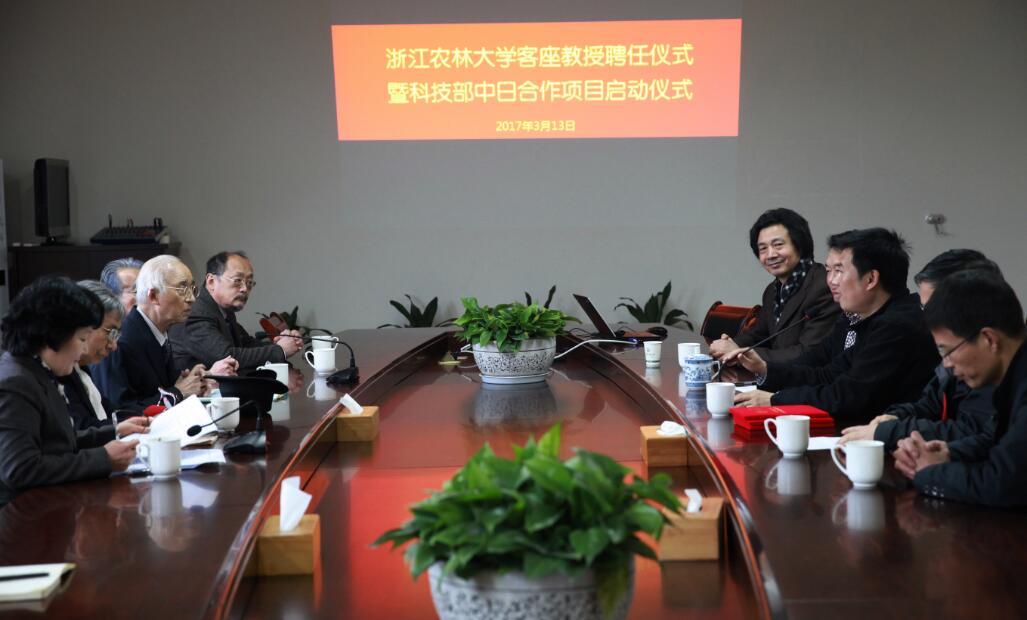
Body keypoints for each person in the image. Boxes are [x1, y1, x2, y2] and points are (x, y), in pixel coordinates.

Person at [731, 228, 939, 425]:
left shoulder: (897, 325)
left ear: (871, 279)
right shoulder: (858, 317)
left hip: (893, 438)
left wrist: (775, 400)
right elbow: (826, 373)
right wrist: (765, 370)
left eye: (838, 271)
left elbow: (847, 396)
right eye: (828, 270)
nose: (830, 281)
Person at [839, 250, 1001, 457]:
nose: (927, 319)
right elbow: (929, 405)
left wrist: (889, 432)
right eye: (924, 309)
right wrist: (895, 418)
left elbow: (972, 431)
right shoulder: (953, 351)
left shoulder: (992, 361)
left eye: (933, 309)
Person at [0, 276, 141, 506]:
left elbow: (58, 440)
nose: (84, 349)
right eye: (82, 338)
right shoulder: (15, 382)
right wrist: (103, 458)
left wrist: (113, 432)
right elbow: (20, 468)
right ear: (55, 334)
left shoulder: (38, 371)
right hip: (25, 515)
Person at [893, 270, 1027, 506]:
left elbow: (1001, 483)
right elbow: (994, 439)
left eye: (948, 351)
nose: (946, 364)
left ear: (988, 339)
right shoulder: (1013, 376)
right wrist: (946, 453)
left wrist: (926, 473)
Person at [91, 255, 238, 410]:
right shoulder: (120, 343)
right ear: (153, 295)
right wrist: (178, 392)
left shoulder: (158, 331)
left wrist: (196, 383)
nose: (191, 298)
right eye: (182, 289)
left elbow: (160, 391)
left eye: (192, 289)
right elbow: (120, 413)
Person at [709, 209, 840, 364]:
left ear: (800, 245)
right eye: (763, 248)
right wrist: (731, 345)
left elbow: (809, 353)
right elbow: (759, 335)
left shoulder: (825, 286)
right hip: (778, 375)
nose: (770, 254)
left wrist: (740, 353)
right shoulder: (772, 290)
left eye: (778, 245)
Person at [170, 251, 301, 372]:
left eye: (249, 282)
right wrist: (280, 350)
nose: (244, 289)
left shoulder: (222, 310)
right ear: (211, 282)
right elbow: (227, 357)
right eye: (237, 280)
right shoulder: (195, 313)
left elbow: (244, 343)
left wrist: (279, 343)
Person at [61, 281, 150, 434]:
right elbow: (80, 430)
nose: (113, 345)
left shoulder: (81, 369)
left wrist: (149, 419)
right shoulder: (59, 372)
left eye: (117, 335)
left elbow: (111, 413)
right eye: (110, 332)